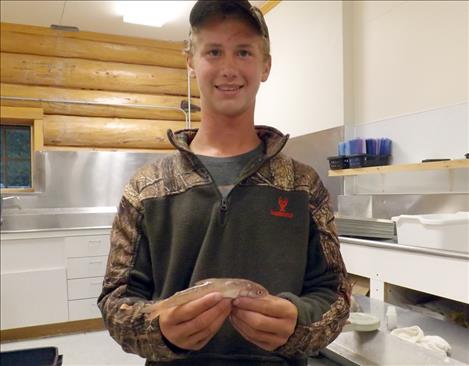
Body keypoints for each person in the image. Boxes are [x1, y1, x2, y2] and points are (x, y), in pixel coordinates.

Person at [98, 1, 351, 365]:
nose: (229, 68)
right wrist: (160, 331)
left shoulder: (303, 185)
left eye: (244, 52)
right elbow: (116, 300)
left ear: (265, 65)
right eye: (213, 51)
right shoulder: (147, 188)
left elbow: (336, 296)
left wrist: (300, 323)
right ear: (191, 61)